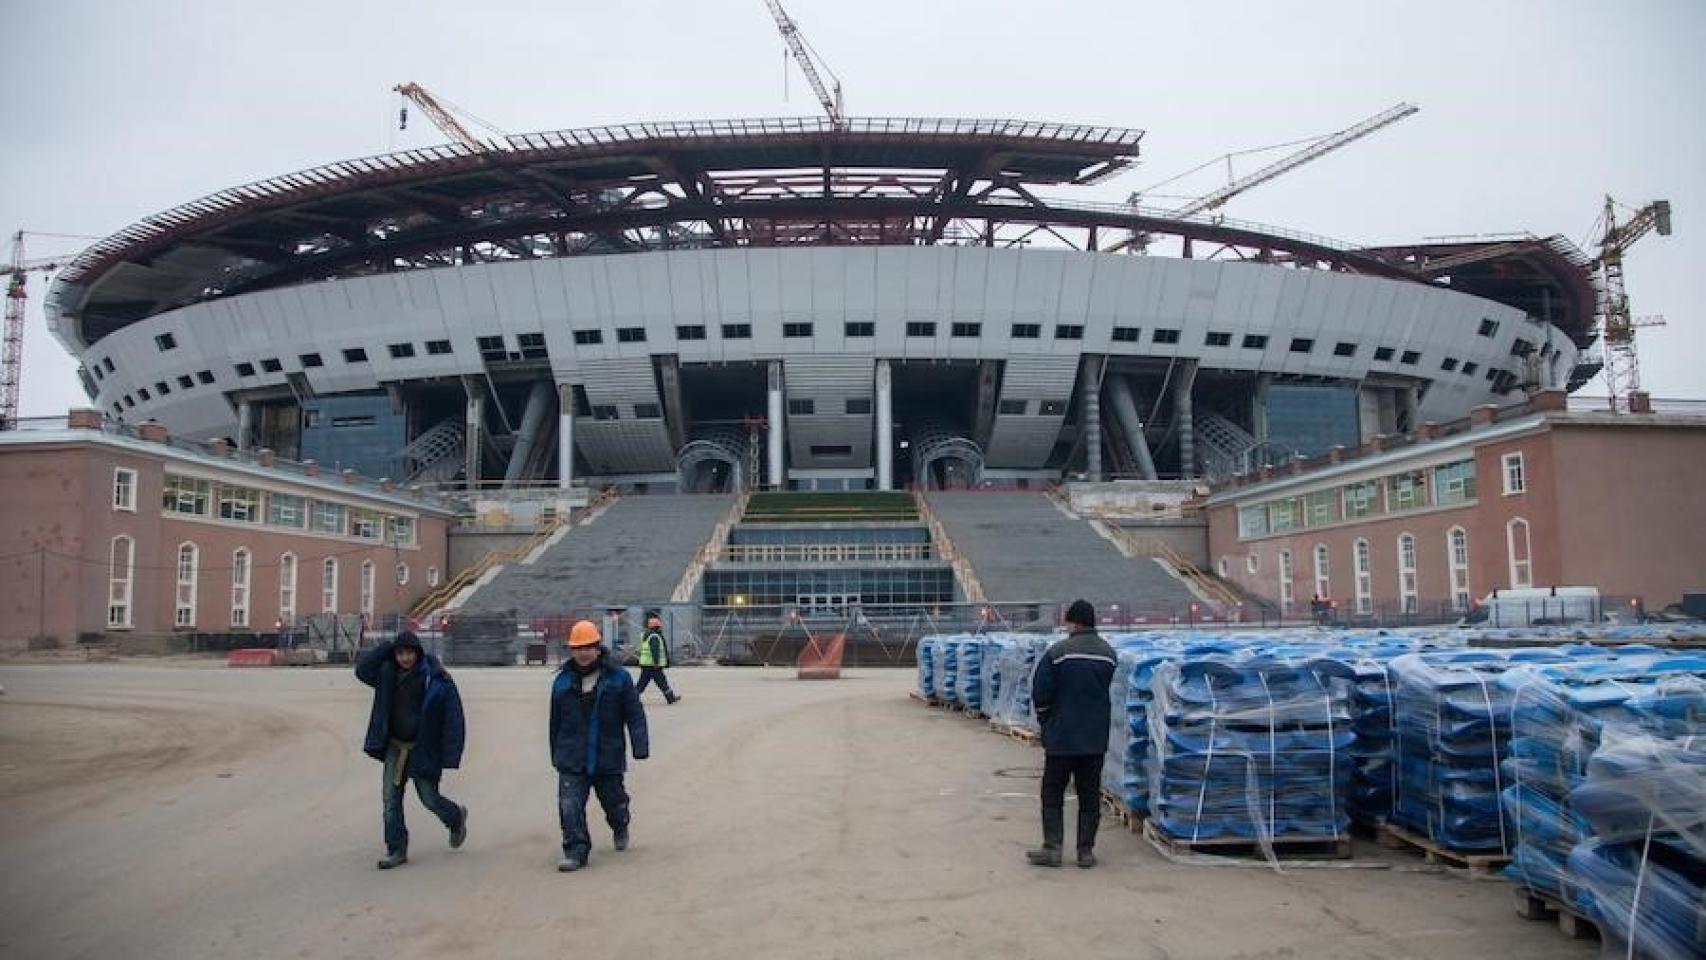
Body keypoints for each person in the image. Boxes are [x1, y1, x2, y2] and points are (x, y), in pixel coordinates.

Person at [354, 631, 468, 870]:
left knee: (429, 798)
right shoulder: (387, 674)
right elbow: (362, 670)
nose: (405, 658)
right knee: (390, 799)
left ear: (418, 653)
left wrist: (450, 752)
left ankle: (455, 817)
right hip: (395, 747)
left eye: (409, 653)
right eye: (400, 653)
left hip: (423, 749)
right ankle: (396, 848)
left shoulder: (435, 678)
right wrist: (387, 647)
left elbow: (453, 717)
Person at [550, 619, 649, 872]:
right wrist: (557, 754)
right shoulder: (562, 682)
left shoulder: (619, 679)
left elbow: (634, 713)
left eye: (588, 647)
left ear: (598, 648)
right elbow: (555, 723)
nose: (583, 653)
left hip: (607, 755)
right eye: (578, 648)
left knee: (614, 803)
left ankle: (620, 824)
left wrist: (640, 745)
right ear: (572, 650)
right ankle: (575, 850)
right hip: (572, 757)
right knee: (569, 806)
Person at [1027, 599, 1117, 869]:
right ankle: (1085, 852)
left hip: (1062, 738)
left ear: (1074, 622)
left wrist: (1046, 721)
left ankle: (1053, 848)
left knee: (1052, 792)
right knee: (1089, 795)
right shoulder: (1108, 654)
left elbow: (1040, 690)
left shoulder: (1059, 652)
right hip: (1094, 738)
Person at [635, 612, 681, 704]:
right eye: (659, 626)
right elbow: (654, 651)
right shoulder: (654, 636)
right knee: (647, 683)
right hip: (652, 664)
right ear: (656, 627)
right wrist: (656, 663)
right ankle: (631, 699)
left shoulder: (646, 635)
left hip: (647, 664)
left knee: (658, 682)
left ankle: (670, 698)